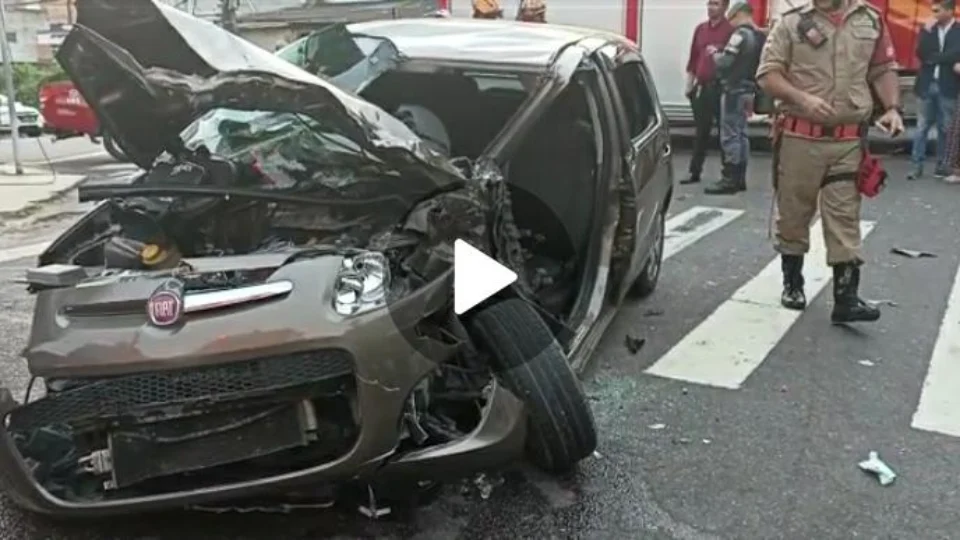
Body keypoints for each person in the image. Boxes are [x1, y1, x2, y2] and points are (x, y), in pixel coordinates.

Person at [756, 0, 903, 324]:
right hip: (799, 139)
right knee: (794, 212)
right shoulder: (792, 23)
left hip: (847, 141)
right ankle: (792, 283)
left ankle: (846, 298)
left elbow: (882, 68)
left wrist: (892, 107)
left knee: (844, 215)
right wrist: (802, 98)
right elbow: (768, 75)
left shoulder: (870, 20)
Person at [704, 1, 765, 195]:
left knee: (730, 135)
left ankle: (729, 179)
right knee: (742, 134)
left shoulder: (739, 35)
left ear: (739, 14)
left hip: (733, 90)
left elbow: (725, 62)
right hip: (749, 90)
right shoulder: (758, 36)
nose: (731, 23)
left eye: (732, 18)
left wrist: (714, 54)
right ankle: (740, 178)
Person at [681, 0, 735, 185]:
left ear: (725, 7)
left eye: (716, 4)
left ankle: (727, 175)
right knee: (701, 132)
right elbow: (693, 58)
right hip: (702, 87)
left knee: (725, 133)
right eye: (710, 3)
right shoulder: (701, 29)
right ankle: (694, 172)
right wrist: (689, 84)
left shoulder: (731, 30)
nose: (711, 7)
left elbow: (733, 61)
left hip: (721, 88)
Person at [908, 0, 960, 181]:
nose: (933, 13)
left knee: (945, 128)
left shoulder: (958, 31)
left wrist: (935, 59)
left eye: (937, 10)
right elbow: (921, 53)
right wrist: (925, 31)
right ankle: (916, 166)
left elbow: (956, 53)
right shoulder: (929, 30)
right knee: (921, 127)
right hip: (927, 83)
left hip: (948, 84)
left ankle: (941, 166)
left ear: (949, 11)